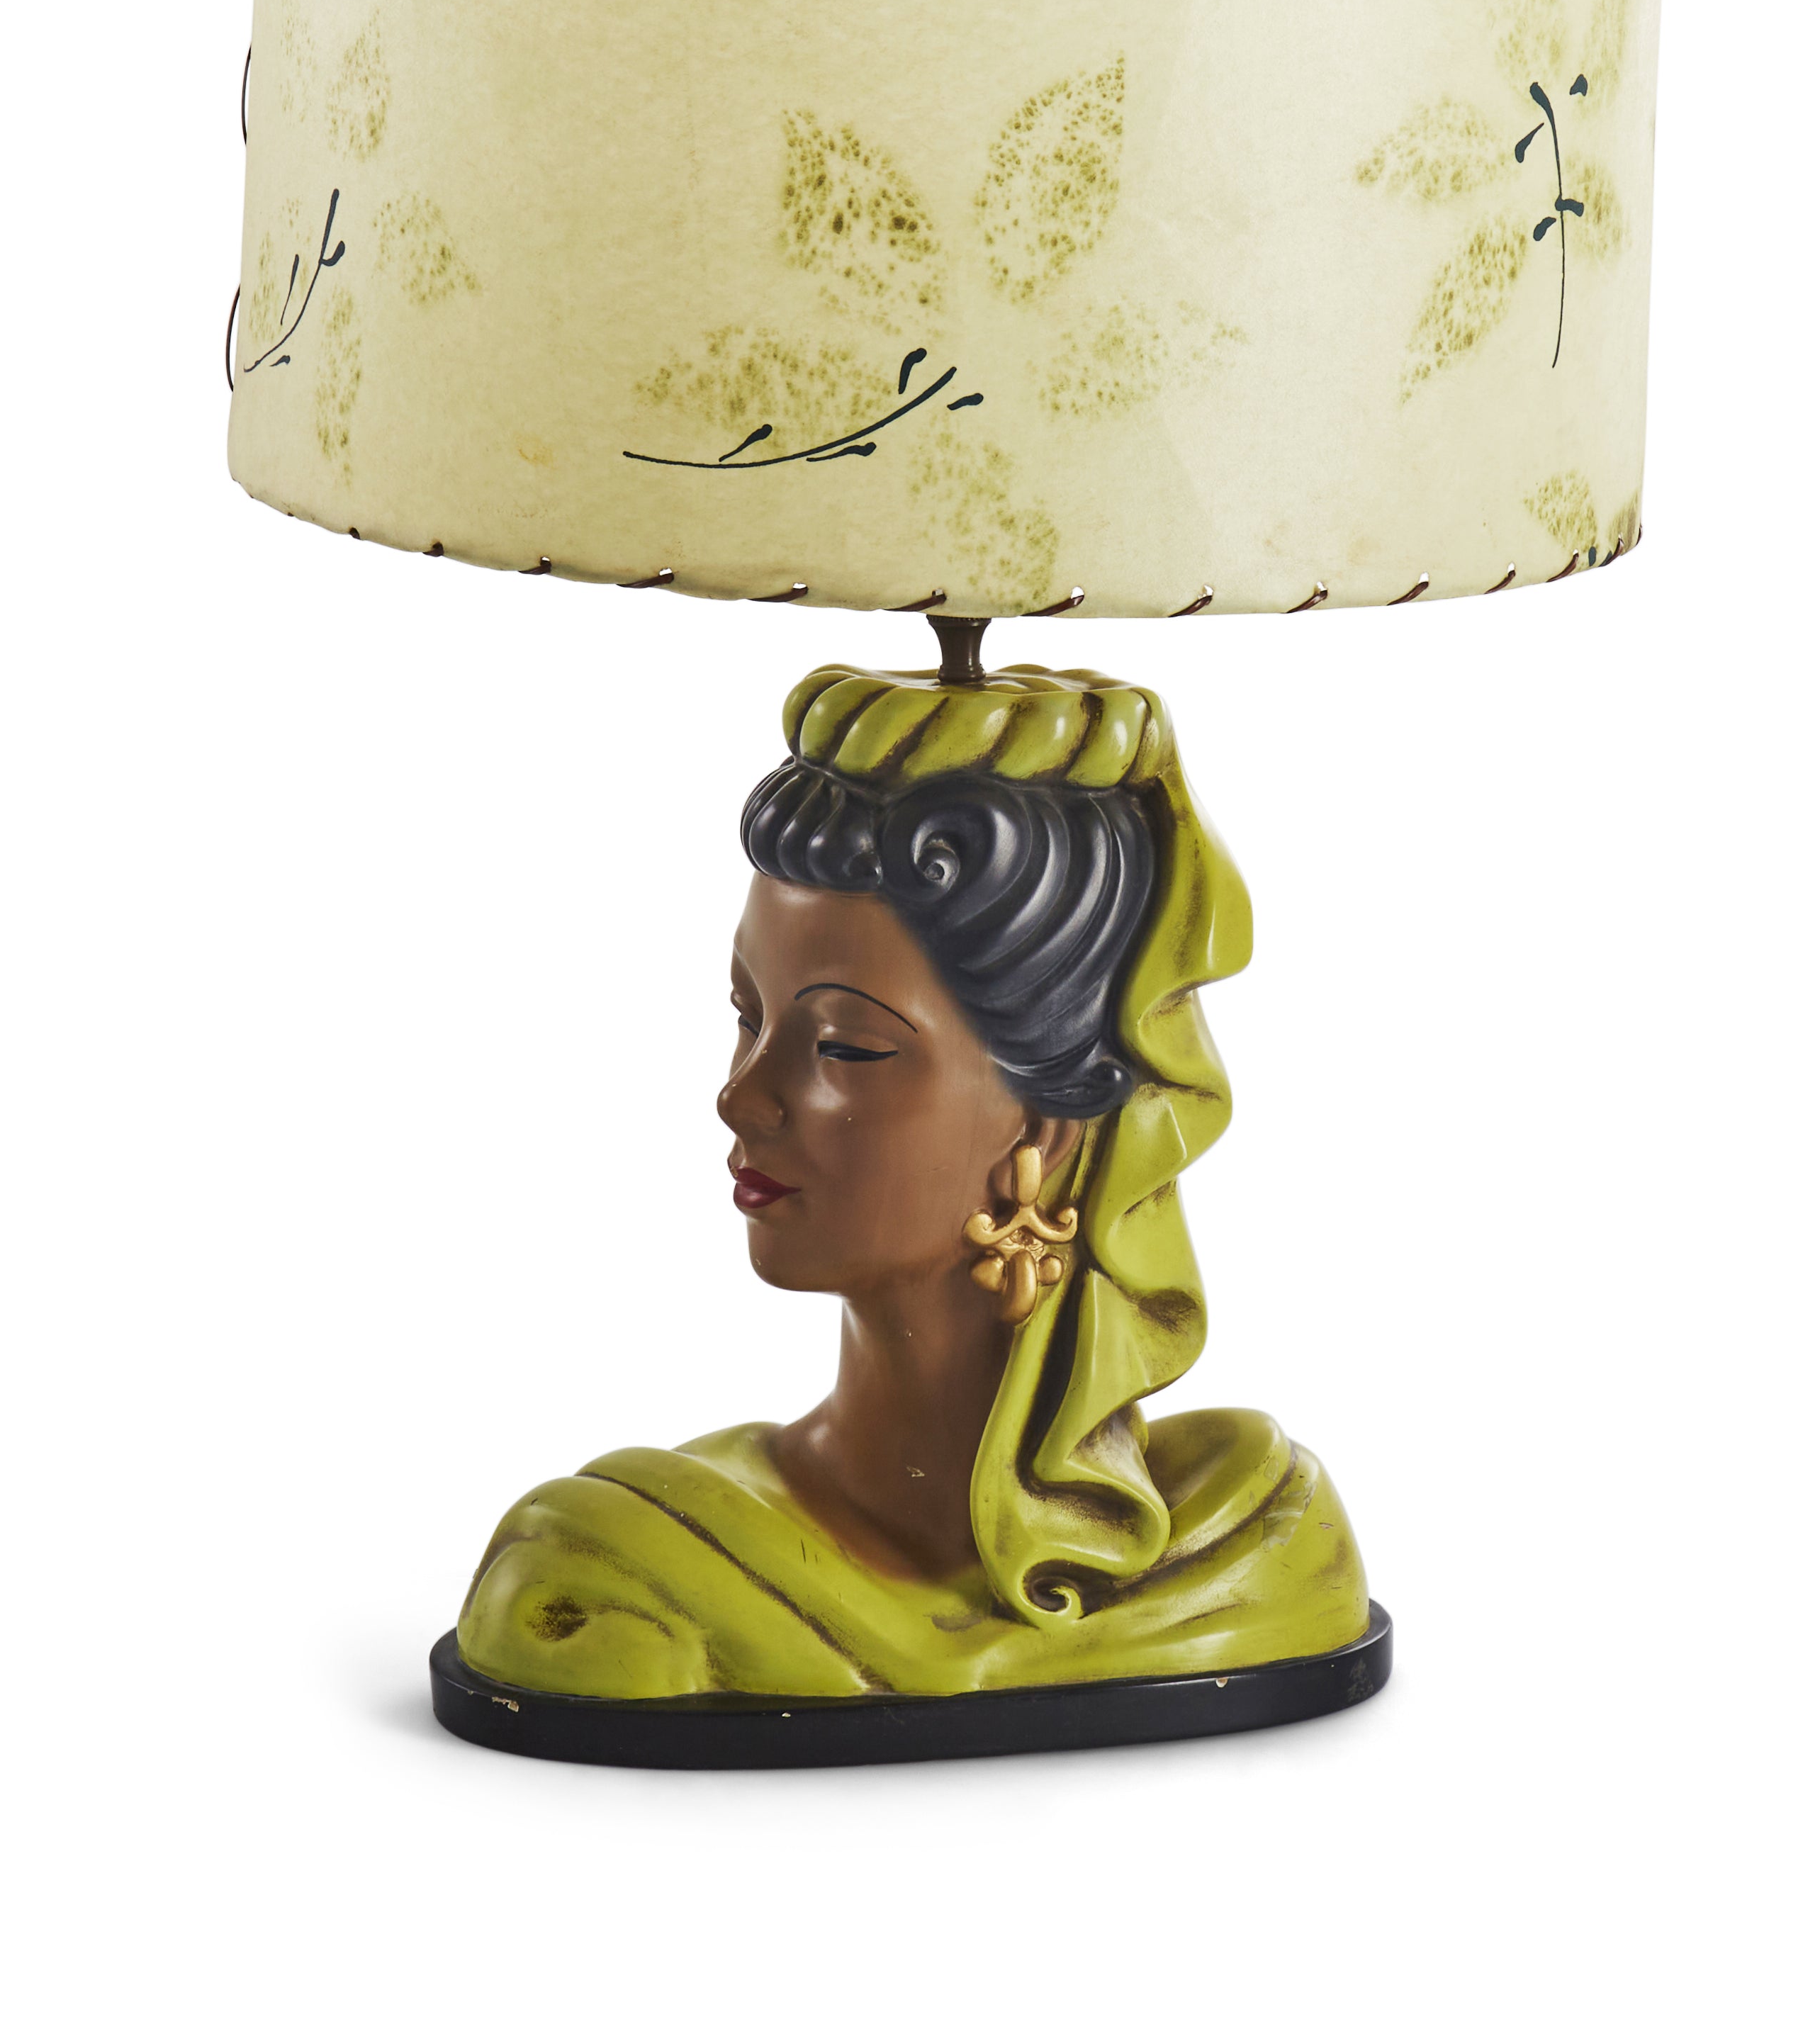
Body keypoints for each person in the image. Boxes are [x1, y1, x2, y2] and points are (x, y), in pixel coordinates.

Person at [455, 659, 1369, 1697]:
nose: (742, 1098)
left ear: (1048, 1129)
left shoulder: (1255, 1550)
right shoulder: (620, 1572)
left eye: (845, 1047)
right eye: (747, 1017)